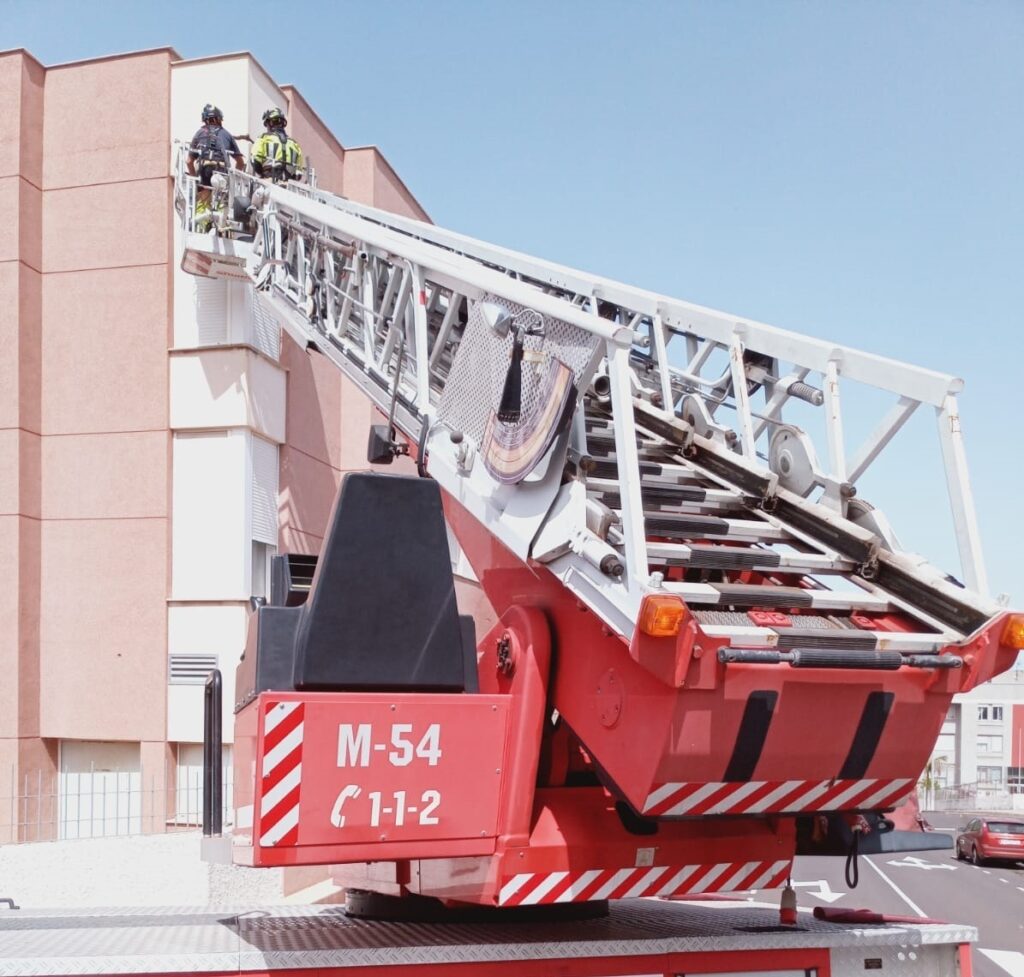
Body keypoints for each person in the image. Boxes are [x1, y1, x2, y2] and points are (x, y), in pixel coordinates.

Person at [186, 104, 244, 229]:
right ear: (219, 119)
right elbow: (240, 162)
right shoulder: (227, 135)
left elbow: (189, 161)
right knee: (222, 202)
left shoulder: (199, 133)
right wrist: (233, 180)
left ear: (204, 119)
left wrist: (194, 180)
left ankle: (202, 228)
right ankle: (220, 225)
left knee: (203, 203)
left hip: (205, 172)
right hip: (222, 172)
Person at [251, 107, 305, 183]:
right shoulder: (295, 144)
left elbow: (255, 160)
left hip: (269, 182)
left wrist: (263, 174)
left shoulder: (263, 138)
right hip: (289, 187)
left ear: (270, 123)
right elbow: (299, 172)